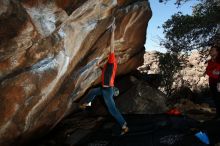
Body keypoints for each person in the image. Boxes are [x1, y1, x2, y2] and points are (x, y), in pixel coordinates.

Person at [79, 20, 129, 135]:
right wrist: (99, 65)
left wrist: (112, 31)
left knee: (112, 110)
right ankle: (86, 104)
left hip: (108, 91)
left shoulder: (112, 61)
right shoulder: (108, 65)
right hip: (103, 88)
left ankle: (124, 125)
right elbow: (105, 71)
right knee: (92, 92)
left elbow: (112, 48)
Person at [205, 44, 220, 118]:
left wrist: (213, 72)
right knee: (215, 99)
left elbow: (217, 72)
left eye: (213, 50)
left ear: (217, 52)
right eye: (211, 50)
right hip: (212, 83)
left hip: (219, 83)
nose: (211, 51)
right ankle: (218, 115)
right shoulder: (210, 61)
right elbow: (207, 71)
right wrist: (213, 72)